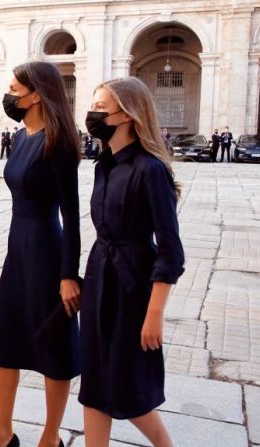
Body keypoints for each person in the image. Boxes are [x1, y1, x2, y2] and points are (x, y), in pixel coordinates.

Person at [79, 76, 185, 447]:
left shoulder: (150, 170)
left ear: (127, 114)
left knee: (127, 385)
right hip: (99, 279)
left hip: (132, 286)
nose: (92, 114)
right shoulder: (102, 165)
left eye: (100, 108)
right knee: (93, 381)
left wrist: (154, 314)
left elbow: (171, 250)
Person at [0, 61, 81, 447]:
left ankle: (50, 436)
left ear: (36, 94)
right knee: (5, 340)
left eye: (14, 88)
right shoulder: (23, 136)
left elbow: (72, 214)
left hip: (46, 248)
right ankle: (1, 432)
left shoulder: (57, 141)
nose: (9, 95)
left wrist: (68, 274)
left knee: (53, 344)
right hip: (18, 249)